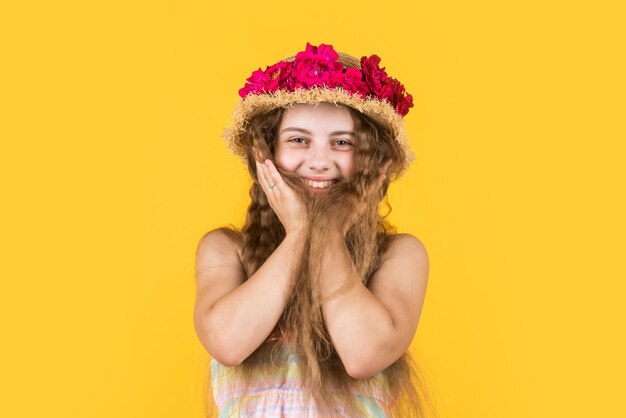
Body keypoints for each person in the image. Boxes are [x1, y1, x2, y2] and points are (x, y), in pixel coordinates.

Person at [194, 43, 434, 417]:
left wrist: (327, 234)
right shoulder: (226, 250)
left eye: (342, 143)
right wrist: (301, 230)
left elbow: (363, 354)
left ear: (372, 160)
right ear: (265, 154)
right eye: (298, 140)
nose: (319, 162)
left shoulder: (399, 255)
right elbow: (228, 343)